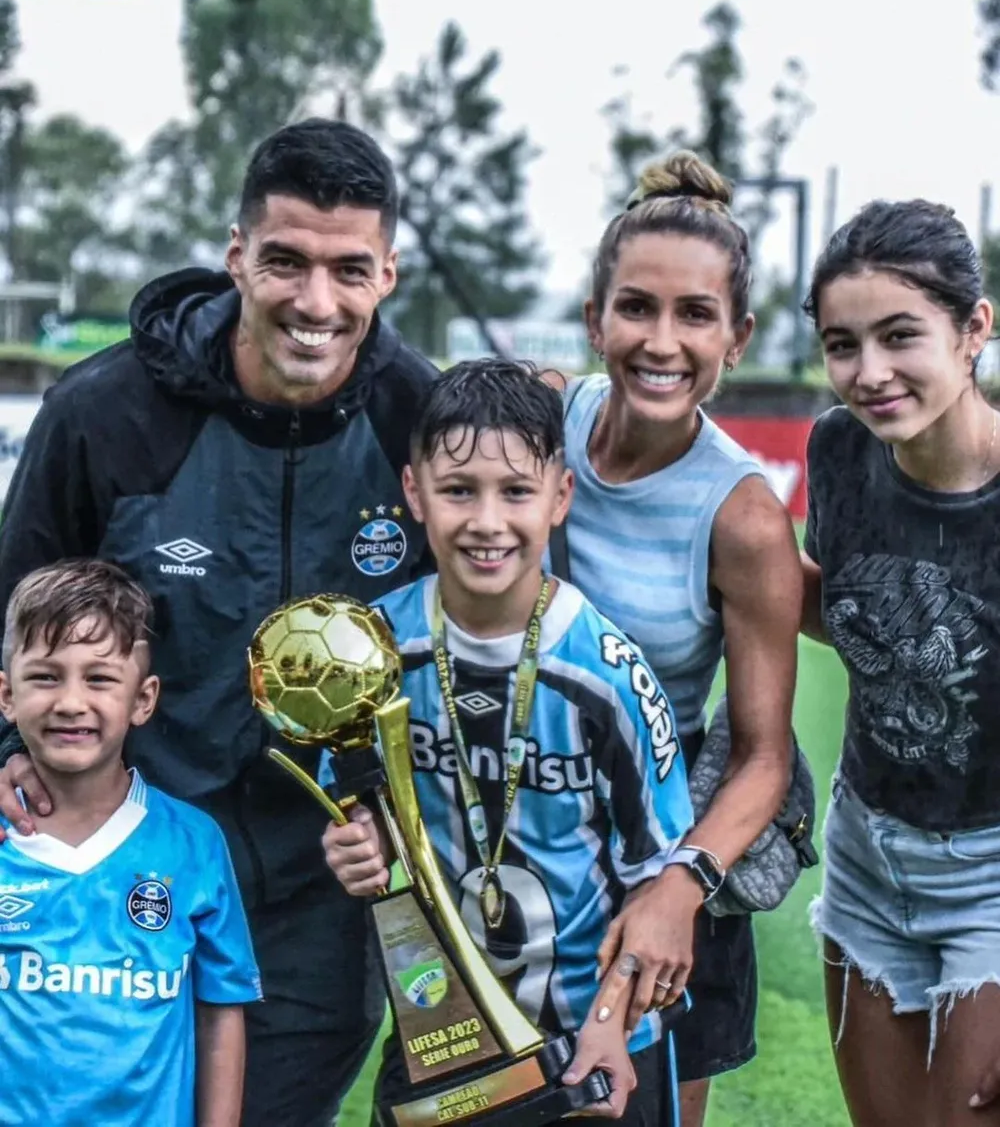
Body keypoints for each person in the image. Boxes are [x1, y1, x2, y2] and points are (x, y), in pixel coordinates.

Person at [0, 119, 438, 1126]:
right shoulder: (103, 411)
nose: (315, 302)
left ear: (389, 271)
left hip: (322, 887)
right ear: (236, 253)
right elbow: (14, 606)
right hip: (120, 867)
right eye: (284, 260)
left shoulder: (420, 416)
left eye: (348, 268)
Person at [322, 359, 696, 1124]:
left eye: (516, 491)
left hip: (597, 1042)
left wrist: (610, 1030)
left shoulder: (603, 671)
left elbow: (659, 881)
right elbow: (350, 798)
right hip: (443, 1035)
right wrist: (355, 837)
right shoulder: (373, 651)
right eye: (460, 490)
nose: (487, 522)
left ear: (559, 497)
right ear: (414, 491)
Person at [552, 152, 802, 1127]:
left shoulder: (741, 516)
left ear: (735, 336)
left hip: (665, 867)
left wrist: (677, 887)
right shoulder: (540, 424)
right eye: (636, 307)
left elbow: (762, 755)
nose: (661, 341)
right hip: (514, 851)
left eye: (695, 314)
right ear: (594, 316)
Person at [802, 198, 1000, 1127]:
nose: (869, 373)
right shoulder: (840, 449)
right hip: (866, 859)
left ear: (974, 330)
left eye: (899, 335)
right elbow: (851, 614)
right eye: (843, 345)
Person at [0, 558, 260, 1126]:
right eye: (45, 676)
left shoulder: (193, 844)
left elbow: (220, 1012)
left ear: (143, 699)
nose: (71, 702)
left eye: (99, 679)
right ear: (6, 695)